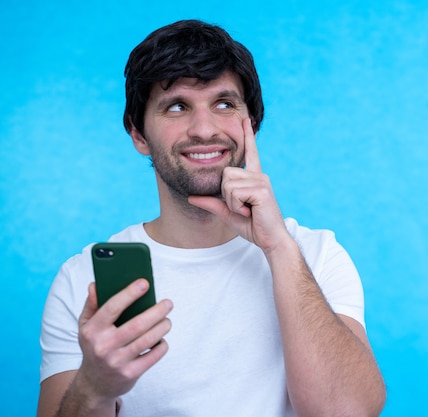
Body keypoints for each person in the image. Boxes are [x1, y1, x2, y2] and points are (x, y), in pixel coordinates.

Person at [37, 19, 386, 417]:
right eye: (177, 106)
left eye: (224, 104)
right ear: (138, 134)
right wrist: (95, 388)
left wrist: (277, 248)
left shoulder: (316, 255)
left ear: (250, 124)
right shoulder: (82, 279)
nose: (204, 130)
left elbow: (347, 411)